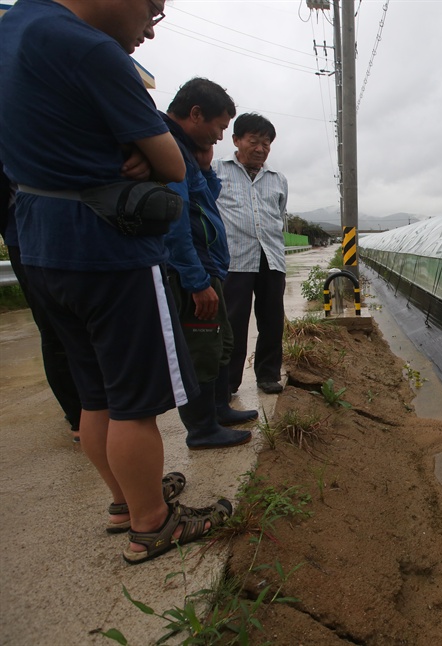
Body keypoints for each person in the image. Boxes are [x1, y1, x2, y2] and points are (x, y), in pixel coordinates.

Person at [0, 0, 231, 564]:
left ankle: (125, 502)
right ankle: (154, 524)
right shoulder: (89, 49)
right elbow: (173, 165)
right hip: (107, 248)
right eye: (151, 8)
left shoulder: (13, 30)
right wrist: (141, 154)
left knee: (95, 391)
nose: (150, 28)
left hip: (41, 245)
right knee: (134, 400)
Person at [161, 78, 258, 449]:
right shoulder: (167, 148)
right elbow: (175, 221)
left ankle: (218, 408)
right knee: (202, 346)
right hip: (195, 269)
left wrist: (204, 169)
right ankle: (201, 429)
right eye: (219, 127)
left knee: (222, 341)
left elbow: (206, 201)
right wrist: (195, 279)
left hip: (210, 268)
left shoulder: (188, 154)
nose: (219, 137)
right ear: (195, 114)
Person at [1, 163, 83, 441]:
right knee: (54, 330)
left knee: (87, 326)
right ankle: (78, 417)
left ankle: (99, 408)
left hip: (73, 227)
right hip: (26, 235)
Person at [214, 113, 289, 395]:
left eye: (266, 143)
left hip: (271, 258)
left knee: (271, 320)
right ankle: (229, 381)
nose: (260, 148)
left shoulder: (277, 179)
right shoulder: (217, 170)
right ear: (237, 140)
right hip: (234, 259)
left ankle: (268, 375)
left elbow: (279, 216)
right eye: (254, 141)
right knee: (233, 322)